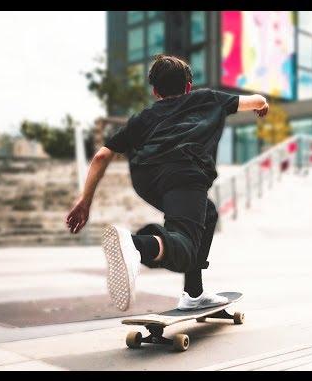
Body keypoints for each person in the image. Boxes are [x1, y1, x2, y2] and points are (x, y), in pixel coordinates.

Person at [65, 55, 269, 312]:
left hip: (147, 178)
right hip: (184, 172)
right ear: (187, 87)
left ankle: (193, 292)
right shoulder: (206, 99)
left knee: (208, 213)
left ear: (155, 91)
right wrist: (262, 107)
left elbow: (102, 155)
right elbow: (258, 100)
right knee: (183, 249)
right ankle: (136, 245)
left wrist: (85, 199)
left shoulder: (144, 117)